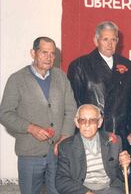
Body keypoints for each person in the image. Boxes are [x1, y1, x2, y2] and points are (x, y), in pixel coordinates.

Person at [0, 37, 77, 194]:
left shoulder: (61, 77)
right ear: (33, 53)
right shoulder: (17, 79)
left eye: (52, 53)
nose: (49, 57)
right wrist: (30, 128)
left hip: (58, 152)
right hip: (29, 153)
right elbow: (5, 113)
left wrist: (64, 137)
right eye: (44, 52)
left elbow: (71, 110)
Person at [67, 21, 131, 150]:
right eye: (105, 39)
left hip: (120, 132)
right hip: (92, 131)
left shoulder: (128, 66)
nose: (109, 44)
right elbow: (74, 104)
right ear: (96, 41)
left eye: (113, 39)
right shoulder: (80, 65)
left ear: (118, 41)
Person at [56, 104, 131, 194]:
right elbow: (61, 180)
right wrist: (86, 192)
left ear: (99, 123)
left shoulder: (114, 141)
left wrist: (125, 167)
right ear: (76, 122)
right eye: (82, 120)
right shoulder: (66, 147)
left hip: (109, 189)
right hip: (82, 190)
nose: (87, 125)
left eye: (92, 120)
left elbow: (122, 176)